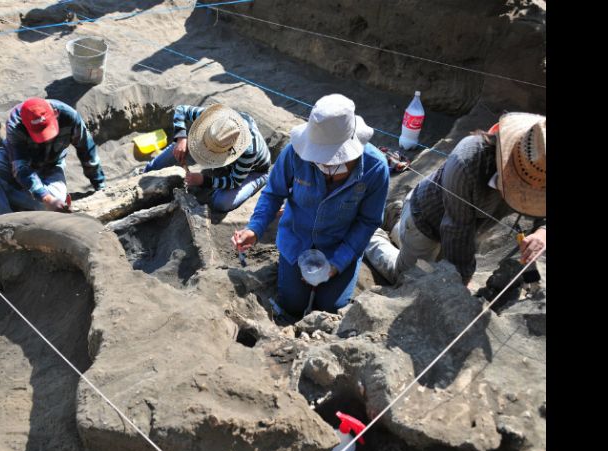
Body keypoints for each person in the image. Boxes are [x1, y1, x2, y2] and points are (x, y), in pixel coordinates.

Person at [232, 94, 390, 316]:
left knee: (331, 308)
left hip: (340, 244)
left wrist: (337, 264)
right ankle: (288, 274)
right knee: (292, 305)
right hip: (297, 242)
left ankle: (340, 274)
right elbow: (273, 193)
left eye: (333, 160)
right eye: (319, 159)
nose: (324, 166)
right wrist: (255, 228)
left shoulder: (375, 168)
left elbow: (368, 221)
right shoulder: (295, 154)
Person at [364, 112, 546, 286]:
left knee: (431, 267)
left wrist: (541, 233)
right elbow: (456, 230)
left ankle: (398, 219)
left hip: (461, 228)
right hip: (426, 220)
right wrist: (461, 279)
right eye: (520, 186)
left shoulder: (540, 165)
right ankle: (369, 234)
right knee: (408, 279)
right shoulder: (467, 161)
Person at [0, 97, 106, 217]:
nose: (46, 139)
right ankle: (3, 225)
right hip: (12, 159)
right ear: (25, 124)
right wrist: (47, 198)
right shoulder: (15, 124)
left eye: (48, 130)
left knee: (56, 203)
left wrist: (100, 187)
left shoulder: (70, 117)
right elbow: (21, 168)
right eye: (39, 134)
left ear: (55, 113)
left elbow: (87, 151)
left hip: (51, 165)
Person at [143, 103, 271, 212]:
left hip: (253, 171)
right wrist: (181, 138)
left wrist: (203, 180)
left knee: (222, 203)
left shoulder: (248, 150)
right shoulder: (214, 117)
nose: (207, 153)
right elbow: (181, 110)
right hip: (228, 162)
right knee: (181, 146)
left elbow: (234, 181)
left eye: (214, 152)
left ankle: (257, 181)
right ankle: (148, 170)